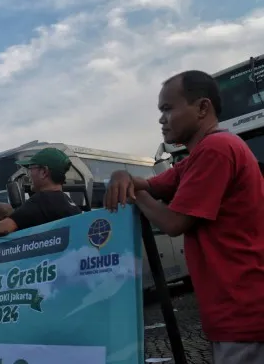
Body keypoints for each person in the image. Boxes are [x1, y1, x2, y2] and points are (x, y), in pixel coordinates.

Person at [104, 70, 264, 364]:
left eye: (168, 108)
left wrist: (131, 192)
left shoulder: (217, 149)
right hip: (233, 308)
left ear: (202, 108)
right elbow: (151, 183)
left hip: (243, 308)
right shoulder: (197, 158)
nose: (161, 119)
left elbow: (174, 222)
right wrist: (121, 175)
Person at [0, 148, 82, 240]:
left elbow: (4, 228)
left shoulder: (42, 200)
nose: (29, 176)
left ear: (44, 172)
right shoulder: (69, 203)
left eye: (30, 169)